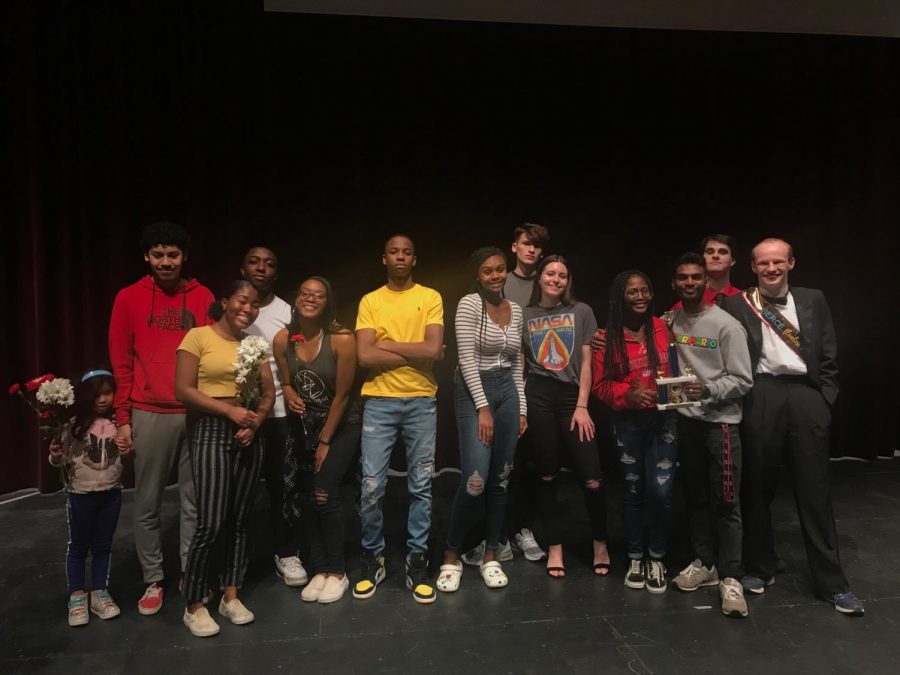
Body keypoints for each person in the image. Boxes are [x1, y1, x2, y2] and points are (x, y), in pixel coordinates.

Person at [722, 238, 864, 616]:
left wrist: (824, 399)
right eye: (764, 263)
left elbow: (829, 351)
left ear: (791, 263)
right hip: (761, 395)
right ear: (752, 267)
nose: (771, 268)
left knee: (814, 491)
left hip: (805, 396)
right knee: (757, 487)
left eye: (778, 262)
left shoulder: (813, 298)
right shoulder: (737, 303)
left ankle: (833, 583)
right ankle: (759, 568)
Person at [108, 221, 214, 615]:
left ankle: (190, 571)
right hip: (148, 412)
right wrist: (123, 417)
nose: (166, 262)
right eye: (158, 255)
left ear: (184, 257)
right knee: (147, 502)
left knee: (194, 501)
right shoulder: (129, 298)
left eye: (173, 255)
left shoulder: (202, 296)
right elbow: (121, 362)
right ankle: (153, 579)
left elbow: (212, 354)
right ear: (147, 257)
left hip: (195, 412)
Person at [175, 280, 275, 637]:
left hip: (248, 431)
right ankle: (194, 603)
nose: (248, 308)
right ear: (225, 301)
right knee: (211, 522)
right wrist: (228, 412)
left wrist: (256, 421)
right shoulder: (198, 336)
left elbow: (267, 391)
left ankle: (230, 595)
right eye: (241, 300)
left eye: (254, 304)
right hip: (211, 430)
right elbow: (183, 390)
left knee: (240, 519)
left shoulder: (254, 345)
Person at [354, 234, 444, 604]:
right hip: (379, 401)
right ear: (384, 258)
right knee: (371, 485)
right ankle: (372, 556)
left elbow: (434, 349)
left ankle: (417, 560)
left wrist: (386, 344)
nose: (401, 256)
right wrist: (418, 353)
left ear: (414, 258)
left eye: (407, 251)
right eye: (394, 251)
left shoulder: (430, 296)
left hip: (422, 399)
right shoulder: (370, 300)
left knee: (421, 484)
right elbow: (363, 356)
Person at [667, 253, 754, 617]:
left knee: (726, 501)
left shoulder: (726, 325)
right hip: (686, 423)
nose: (689, 283)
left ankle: (731, 576)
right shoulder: (669, 321)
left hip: (720, 424)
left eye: (695, 277)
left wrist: (710, 389)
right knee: (696, 497)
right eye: (683, 277)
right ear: (675, 283)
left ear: (706, 282)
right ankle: (705, 563)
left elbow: (743, 379)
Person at [437, 247, 527, 593]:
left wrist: (521, 408)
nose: (494, 276)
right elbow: (466, 358)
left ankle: (491, 553)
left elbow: (517, 361)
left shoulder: (515, 309)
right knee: (475, 478)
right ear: (478, 275)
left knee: (501, 478)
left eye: (500, 269)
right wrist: (483, 407)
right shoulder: (469, 304)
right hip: (475, 389)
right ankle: (451, 553)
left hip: (507, 386)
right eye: (487, 271)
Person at [463, 223, 550, 565]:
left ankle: (519, 530)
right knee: (489, 465)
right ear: (514, 246)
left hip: (534, 382)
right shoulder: (499, 279)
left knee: (523, 463)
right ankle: (487, 536)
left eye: (538, 246)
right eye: (527, 244)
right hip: (497, 381)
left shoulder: (548, 282)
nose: (532, 250)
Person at [273, 276, 362, 604]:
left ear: (328, 302)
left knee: (325, 493)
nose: (311, 299)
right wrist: (290, 390)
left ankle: (338, 572)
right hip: (303, 429)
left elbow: (342, 396)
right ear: (297, 299)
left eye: (319, 296)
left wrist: (325, 442)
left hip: (340, 428)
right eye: (305, 293)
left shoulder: (341, 339)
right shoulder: (283, 339)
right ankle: (320, 569)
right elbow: (285, 381)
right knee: (310, 497)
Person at [523, 255, 609, 579]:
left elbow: (587, 363)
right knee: (546, 474)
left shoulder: (581, 311)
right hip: (538, 395)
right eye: (550, 273)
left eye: (562, 274)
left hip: (573, 396)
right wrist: (521, 407)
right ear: (540, 277)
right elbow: (521, 363)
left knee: (592, 476)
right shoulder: (526, 314)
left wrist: (583, 406)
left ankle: (600, 542)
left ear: (567, 280)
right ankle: (555, 546)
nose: (556, 279)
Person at [592, 270, 676, 593]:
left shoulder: (662, 327)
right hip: (627, 422)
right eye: (632, 292)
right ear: (619, 298)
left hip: (662, 421)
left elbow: (677, 367)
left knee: (662, 491)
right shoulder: (605, 337)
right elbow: (600, 385)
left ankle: (657, 556)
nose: (640, 297)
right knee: (633, 489)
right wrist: (627, 394)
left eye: (645, 290)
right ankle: (635, 556)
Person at [239, 246, 306, 588]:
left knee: (283, 487)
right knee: (240, 490)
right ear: (243, 268)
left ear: (276, 273)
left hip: (278, 413)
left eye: (269, 263)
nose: (261, 268)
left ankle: (286, 551)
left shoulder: (286, 310)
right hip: (239, 415)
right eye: (254, 262)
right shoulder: (232, 307)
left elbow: (296, 358)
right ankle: (236, 559)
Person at [49, 369, 127, 627]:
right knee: (79, 546)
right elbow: (57, 460)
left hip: (111, 493)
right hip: (81, 495)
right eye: (96, 394)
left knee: (103, 545)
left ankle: (99, 591)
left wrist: (130, 446)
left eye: (107, 393)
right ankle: (77, 595)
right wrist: (56, 454)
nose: (102, 399)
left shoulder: (121, 422)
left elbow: (128, 454)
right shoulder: (73, 424)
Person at [672, 234, 742, 310]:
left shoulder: (745, 301)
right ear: (702, 258)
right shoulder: (680, 308)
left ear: (732, 261)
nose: (715, 256)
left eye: (722, 252)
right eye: (710, 252)